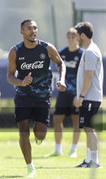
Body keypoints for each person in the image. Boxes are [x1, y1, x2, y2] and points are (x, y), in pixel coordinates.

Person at [7, 19, 66, 178]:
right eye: (28, 28)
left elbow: (61, 64)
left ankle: (38, 136)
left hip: (42, 98)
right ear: (22, 32)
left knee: (40, 134)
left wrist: (62, 79)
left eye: (35, 28)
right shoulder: (15, 51)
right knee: (23, 131)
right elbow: (10, 76)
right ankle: (30, 167)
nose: (32, 31)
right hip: (23, 97)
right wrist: (21, 82)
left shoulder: (47, 48)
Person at [45, 28, 83, 158]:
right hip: (64, 92)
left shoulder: (82, 54)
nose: (71, 39)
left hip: (76, 93)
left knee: (76, 120)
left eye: (73, 37)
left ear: (78, 39)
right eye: (69, 37)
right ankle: (57, 149)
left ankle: (73, 150)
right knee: (57, 119)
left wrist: (80, 95)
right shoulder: (62, 53)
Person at [73, 22, 103, 168]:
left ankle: (94, 161)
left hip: (90, 97)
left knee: (89, 128)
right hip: (88, 97)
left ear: (82, 35)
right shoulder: (89, 50)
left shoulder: (91, 51)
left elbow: (89, 77)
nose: (76, 38)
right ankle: (88, 159)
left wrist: (82, 96)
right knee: (87, 127)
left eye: (77, 35)